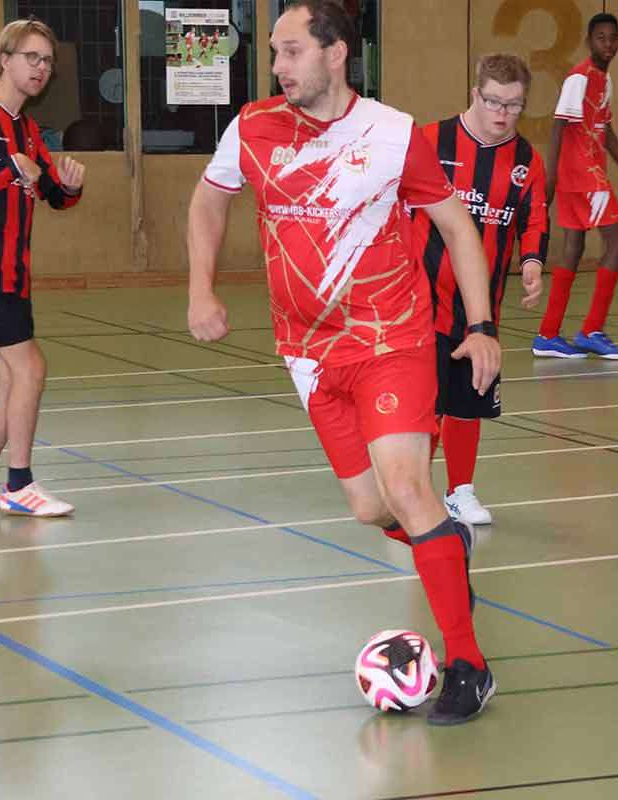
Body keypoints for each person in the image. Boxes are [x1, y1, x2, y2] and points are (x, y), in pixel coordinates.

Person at [186, 0, 498, 724]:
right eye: (274, 52)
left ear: (336, 54)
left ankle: (468, 664)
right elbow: (207, 202)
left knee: (408, 488)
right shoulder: (253, 128)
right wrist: (201, 288)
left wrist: (481, 326)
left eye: (291, 50)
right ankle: (442, 546)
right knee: (371, 508)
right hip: (308, 353)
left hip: (391, 339)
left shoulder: (391, 134)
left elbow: (457, 226)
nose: (277, 66)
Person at [0, 18, 85, 517]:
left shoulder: (27, 130)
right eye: (31, 57)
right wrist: (8, 167)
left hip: (12, 272)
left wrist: (69, 186)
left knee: (13, 379)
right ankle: (19, 484)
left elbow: (53, 195)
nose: (40, 68)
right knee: (31, 369)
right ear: (5, 60)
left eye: (46, 60)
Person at [415, 53, 547, 526]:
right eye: (493, 101)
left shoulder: (527, 160)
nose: (502, 114)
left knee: (467, 401)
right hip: (421, 303)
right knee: (424, 407)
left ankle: (460, 491)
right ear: (475, 93)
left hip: (480, 311)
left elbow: (535, 219)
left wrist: (532, 262)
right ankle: (413, 492)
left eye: (514, 105)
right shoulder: (430, 141)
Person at [531, 12, 618, 360]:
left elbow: (606, 132)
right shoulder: (578, 78)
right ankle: (591, 330)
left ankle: (547, 334)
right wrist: (550, 178)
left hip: (586, 174)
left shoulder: (604, 81)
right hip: (583, 176)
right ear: (589, 41)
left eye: (613, 38)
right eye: (601, 37)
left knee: (574, 248)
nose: (608, 44)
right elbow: (558, 127)